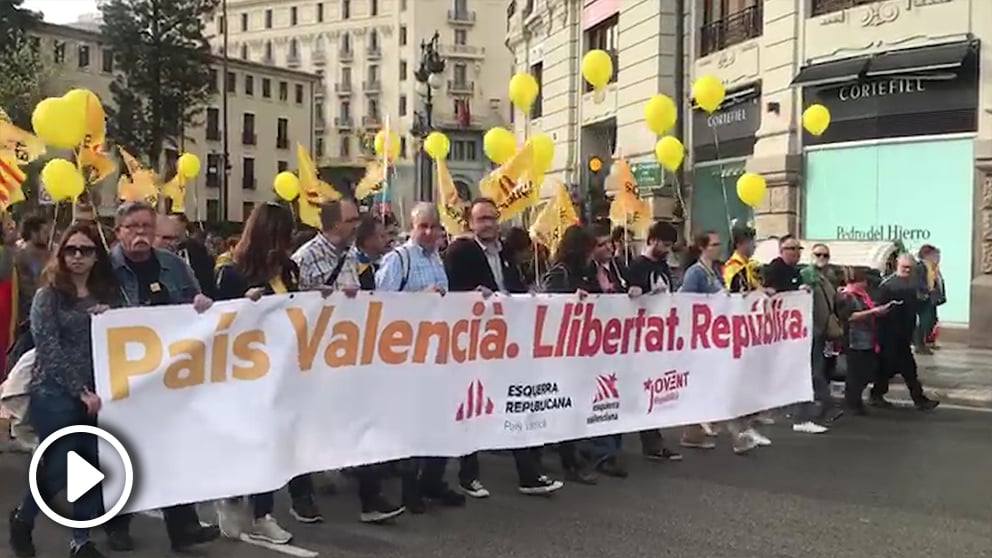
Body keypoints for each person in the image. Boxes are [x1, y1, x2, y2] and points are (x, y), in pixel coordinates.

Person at [102, 202, 219, 552]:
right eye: (132, 227)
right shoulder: (103, 269)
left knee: (172, 449)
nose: (140, 234)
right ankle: (116, 524)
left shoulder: (173, 265)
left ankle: (183, 527)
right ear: (119, 231)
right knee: (125, 450)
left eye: (146, 228)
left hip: (169, 374)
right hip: (123, 376)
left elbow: (198, 300)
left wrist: (199, 302)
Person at [7, 223, 118, 558]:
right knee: (58, 462)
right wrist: (79, 389)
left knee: (85, 465)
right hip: (54, 393)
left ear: (97, 255)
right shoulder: (48, 295)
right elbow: (48, 347)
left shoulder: (107, 294)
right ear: (62, 253)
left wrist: (112, 317)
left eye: (86, 250)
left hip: (99, 393)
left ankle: (81, 542)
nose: (78, 257)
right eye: (71, 249)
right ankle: (24, 518)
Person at [443, 198, 564, 497]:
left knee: (516, 404)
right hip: (474, 343)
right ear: (471, 223)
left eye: (492, 218)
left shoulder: (504, 254)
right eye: (482, 218)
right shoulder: (461, 251)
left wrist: (529, 297)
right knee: (473, 408)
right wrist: (473, 295)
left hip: (507, 343)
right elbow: (450, 292)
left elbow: (513, 290)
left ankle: (529, 474)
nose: (488, 224)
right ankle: (468, 475)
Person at [376, 202, 466, 511]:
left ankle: (433, 480)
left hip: (437, 353)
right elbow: (380, 305)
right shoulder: (398, 260)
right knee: (412, 423)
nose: (428, 232)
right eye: (422, 226)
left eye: (433, 227)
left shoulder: (437, 260)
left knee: (439, 420)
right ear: (411, 228)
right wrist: (418, 299)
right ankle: (409, 488)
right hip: (406, 356)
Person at [679, 230, 758, 455]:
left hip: (714, 338)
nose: (719, 248)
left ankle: (700, 432)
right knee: (715, 388)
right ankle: (733, 435)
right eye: (714, 244)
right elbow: (686, 303)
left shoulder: (713, 270)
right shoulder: (696, 273)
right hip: (701, 340)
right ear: (703, 247)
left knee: (714, 388)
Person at [540, 225, 601, 484]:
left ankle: (571, 453)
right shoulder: (560, 273)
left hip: (582, 348)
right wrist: (570, 299)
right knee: (564, 405)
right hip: (561, 350)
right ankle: (568, 460)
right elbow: (549, 306)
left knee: (574, 405)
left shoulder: (587, 271)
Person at [621, 220, 683, 462]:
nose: (667, 249)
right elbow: (629, 297)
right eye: (665, 244)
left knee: (654, 390)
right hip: (641, 337)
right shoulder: (638, 266)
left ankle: (654, 439)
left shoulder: (663, 266)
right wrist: (639, 293)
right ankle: (650, 440)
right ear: (653, 240)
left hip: (660, 336)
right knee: (643, 390)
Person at [762, 236, 832, 434]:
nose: (795, 252)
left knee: (807, 372)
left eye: (797, 248)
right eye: (790, 248)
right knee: (807, 372)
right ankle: (805, 415)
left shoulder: (798, 272)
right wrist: (795, 291)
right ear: (781, 250)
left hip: (802, 330)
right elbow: (774, 295)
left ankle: (807, 411)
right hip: (787, 333)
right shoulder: (775, 270)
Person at [872, 254, 940, 411]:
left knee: (906, 369)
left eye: (910, 268)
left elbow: (920, 303)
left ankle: (917, 399)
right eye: (904, 267)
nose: (907, 271)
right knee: (889, 367)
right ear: (897, 265)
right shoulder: (888, 285)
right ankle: (879, 394)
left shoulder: (914, 283)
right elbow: (879, 310)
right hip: (889, 333)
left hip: (904, 333)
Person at [841, 267, 895, 415]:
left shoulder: (862, 295)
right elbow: (850, 317)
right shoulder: (848, 296)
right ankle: (853, 402)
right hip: (855, 338)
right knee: (856, 373)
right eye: (863, 281)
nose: (866, 284)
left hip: (867, 337)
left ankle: (855, 401)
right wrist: (873, 312)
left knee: (865, 371)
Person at [292, 199, 361, 292]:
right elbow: (293, 301)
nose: (357, 225)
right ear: (335, 224)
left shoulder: (353, 254)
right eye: (351, 221)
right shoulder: (305, 258)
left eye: (357, 219)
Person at [168, 213, 216, 298]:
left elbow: (207, 277)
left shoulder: (198, 249)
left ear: (183, 225)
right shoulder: (162, 248)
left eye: (174, 224)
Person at [914, 245, 944, 354]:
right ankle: (920, 344)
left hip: (931, 299)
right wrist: (926, 291)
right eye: (935, 255)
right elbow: (918, 282)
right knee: (924, 321)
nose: (937, 257)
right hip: (923, 298)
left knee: (931, 320)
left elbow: (938, 283)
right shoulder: (920, 267)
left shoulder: (933, 268)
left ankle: (928, 341)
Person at [353, 216, 388, 291]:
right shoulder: (354, 267)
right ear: (367, 240)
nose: (387, 240)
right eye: (382, 236)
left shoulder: (387, 263)